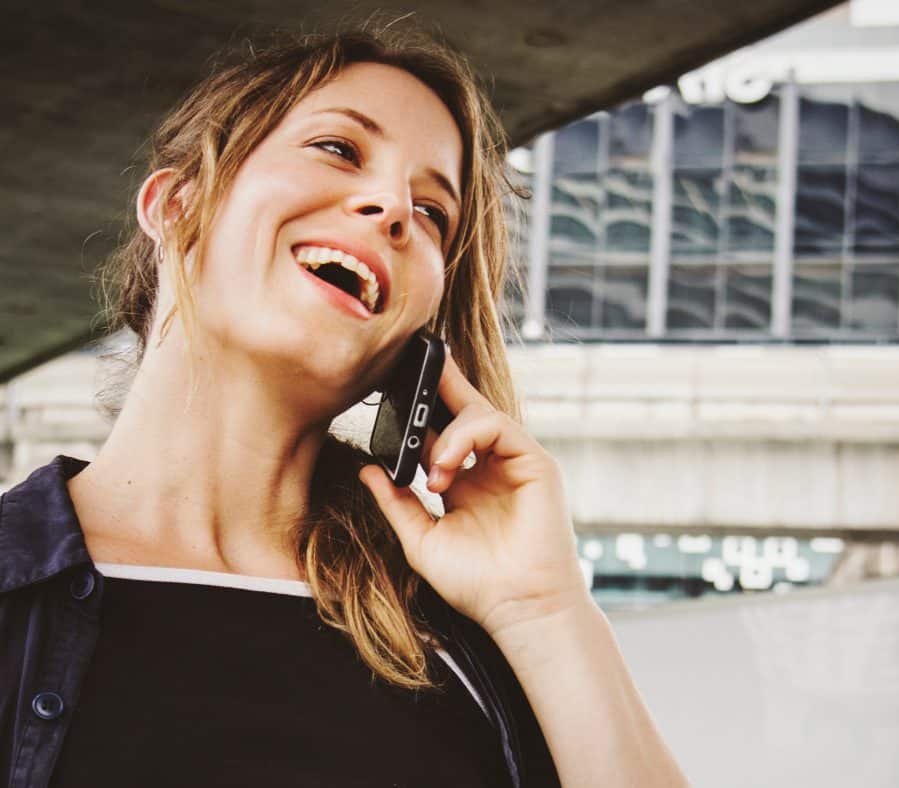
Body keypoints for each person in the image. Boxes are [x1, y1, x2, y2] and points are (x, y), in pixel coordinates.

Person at [0, 25, 690, 788]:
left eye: (432, 213)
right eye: (338, 148)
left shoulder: (463, 644)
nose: (393, 208)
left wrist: (545, 612)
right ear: (174, 204)